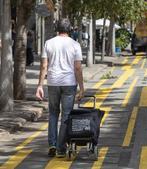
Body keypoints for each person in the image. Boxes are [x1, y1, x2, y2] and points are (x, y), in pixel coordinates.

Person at [35, 18, 84, 158]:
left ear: (57, 28)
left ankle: (52, 144)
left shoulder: (48, 43)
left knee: (53, 113)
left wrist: (40, 85)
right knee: (66, 115)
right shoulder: (75, 44)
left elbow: (44, 65)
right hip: (69, 83)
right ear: (69, 30)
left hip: (53, 82)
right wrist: (82, 88)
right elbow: (78, 68)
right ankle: (61, 148)